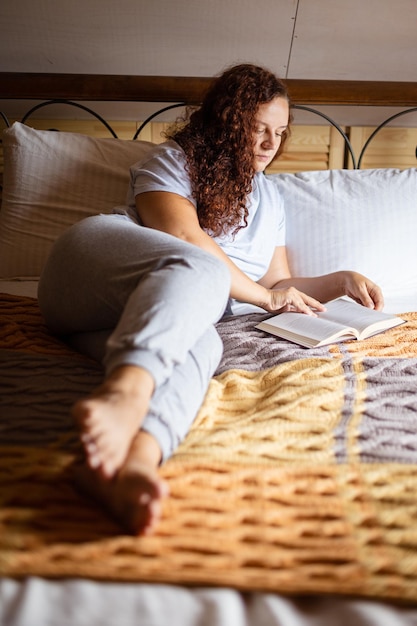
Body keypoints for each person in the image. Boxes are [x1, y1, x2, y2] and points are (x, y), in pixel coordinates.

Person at [38, 63, 383, 535]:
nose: (269, 144)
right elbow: (181, 235)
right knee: (201, 268)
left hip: (120, 322)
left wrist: (338, 280)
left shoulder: (271, 198)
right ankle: (125, 393)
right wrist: (265, 297)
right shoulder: (175, 160)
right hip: (85, 274)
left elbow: (277, 284)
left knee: (204, 346)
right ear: (227, 120)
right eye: (258, 128)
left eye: (279, 133)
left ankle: (130, 466)